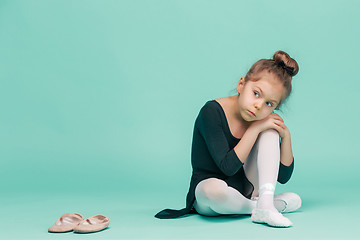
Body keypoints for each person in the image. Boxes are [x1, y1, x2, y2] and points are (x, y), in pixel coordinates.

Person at [155, 50, 302, 228]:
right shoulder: (211, 112)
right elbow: (227, 167)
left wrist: (285, 136)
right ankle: (265, 205)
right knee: (213, 191)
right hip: (210, 194)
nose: (258, 105)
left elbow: (284, 177)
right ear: (241, 84)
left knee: (270, 130)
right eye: (256, 93)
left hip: (247, 189)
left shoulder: (261, 117)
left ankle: (265, 203)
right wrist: (254, 129)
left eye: (269, 104)